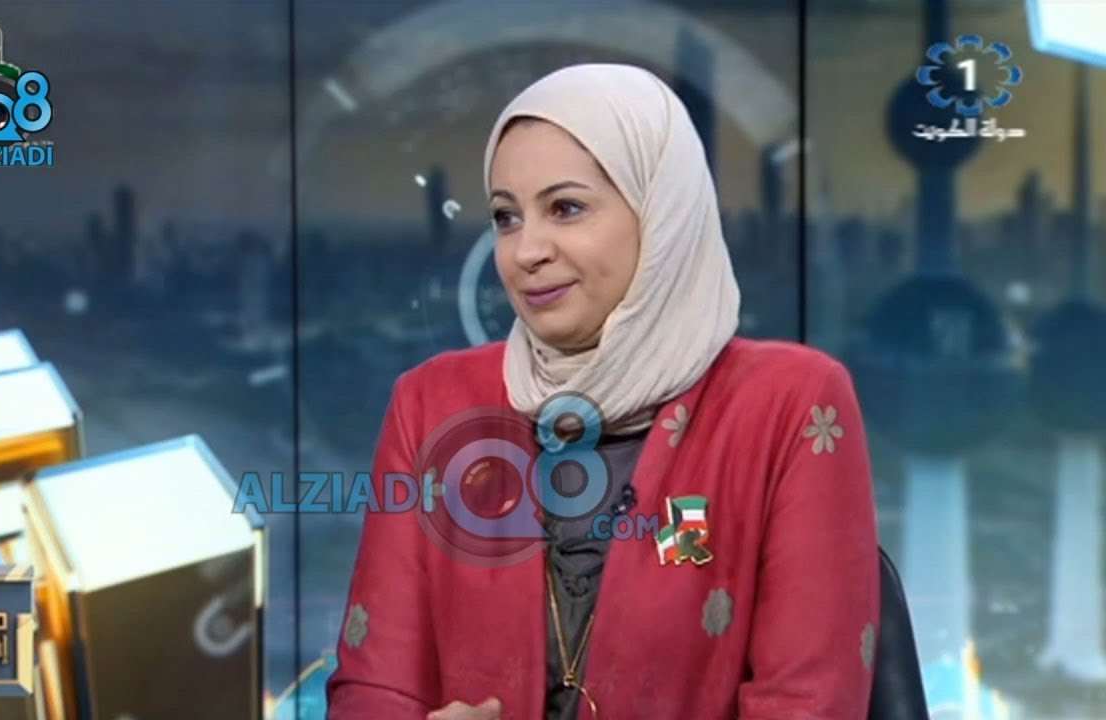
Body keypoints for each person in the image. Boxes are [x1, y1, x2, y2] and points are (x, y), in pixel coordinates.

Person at [325, 63, 880, 719]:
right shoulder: (432, 406)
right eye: (506, 217)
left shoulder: (790, 406)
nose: (526, 251)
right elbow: (374, 690)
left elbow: (808, 706)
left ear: (661, 213)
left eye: (566, 208)